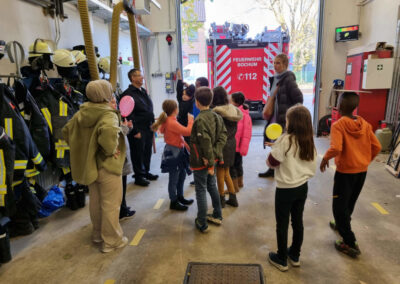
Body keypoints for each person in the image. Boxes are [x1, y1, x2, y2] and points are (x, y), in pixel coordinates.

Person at [63, 80, 128, 253]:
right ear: (106, 94)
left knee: (96, 202)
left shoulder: (81, 112)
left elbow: (66, 132)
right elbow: (108, 136)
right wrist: (111, 149)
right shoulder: (108, 114)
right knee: (111, 205)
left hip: (91, 167)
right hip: (107, 166)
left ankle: (98, 235)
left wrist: (86, 148)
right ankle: (112, 241)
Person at [320, 92, 381, 258]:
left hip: (345, 172)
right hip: (361, 171)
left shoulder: (338, 125)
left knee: (339, 206)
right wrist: (364, 160)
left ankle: (350, 241)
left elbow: (337, 148)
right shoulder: (365, 124)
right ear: (355, 107)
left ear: (339, 107)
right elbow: (377, 147)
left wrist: (325, 158)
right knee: (350, 200)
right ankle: (341, 225)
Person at [267, 105, 317, 271]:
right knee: (297, 221)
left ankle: (281, 258)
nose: (285, 122)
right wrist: (276, 146)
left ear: (292, 123)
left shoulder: (285, 140)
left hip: (285, 189)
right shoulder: (309, 140)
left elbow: (272, 163)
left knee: (282, 223)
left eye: (287, 120)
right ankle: (295, 255)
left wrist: (274, 149)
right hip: (302, 187)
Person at [259, 54, 303, 178]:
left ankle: (283, 169)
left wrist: (290, 115)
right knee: (273, 141)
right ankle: (272, 169)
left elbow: (299, 99)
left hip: (283, 118)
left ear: (285, 65)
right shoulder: (275, 79)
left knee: (283, 144)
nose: (275, 65)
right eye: (274, 62)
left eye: (278, 63)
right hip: (275, 116)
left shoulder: (288, 79)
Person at [190, 87, 227, 233]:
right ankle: (217, 215)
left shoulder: (200, 120)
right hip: (213, 160)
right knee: (212, 186)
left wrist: (209, 161)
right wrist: (216, 155)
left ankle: (202, 221)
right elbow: (223, 136)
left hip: (202, 162)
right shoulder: (217, 116)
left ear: (197, 102)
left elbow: (205, 142)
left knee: (201, 190)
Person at [152, 100, 194, 211]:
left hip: (177, 150)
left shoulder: (169, 120)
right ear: (175, 109)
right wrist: (190, 121)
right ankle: (173, 201)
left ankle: (180, 196)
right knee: (174, 178)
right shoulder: (171, 122)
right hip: (174, 153)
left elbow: (179, 136)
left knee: (182, 175)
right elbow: (187, 131)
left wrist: (186, 146)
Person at [122, 69, 158, 187]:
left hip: (148, 127)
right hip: (138, 128)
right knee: (138, 153)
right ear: (132, 78)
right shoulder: (127, 94)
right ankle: (139, 176)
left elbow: (148, 107)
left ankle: (146, 172)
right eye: (139, 75)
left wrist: (153, 124)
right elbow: (127, 114)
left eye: (142, 75)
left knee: (147, 151)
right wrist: (135, 131)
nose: (142, 77)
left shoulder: (142, 91)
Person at [212, 86, 242, 207]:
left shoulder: (216, 112)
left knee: (220, 172)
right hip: (231, 144)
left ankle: (221, 199)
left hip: (221, 145)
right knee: (226, 172)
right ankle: (233, 198)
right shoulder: (233, 110)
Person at [109, 96, 136, 220]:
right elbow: (115, 136)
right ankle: (121, 210)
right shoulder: (108, 118)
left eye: (115, 101)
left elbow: (122, 132)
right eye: (112, 102)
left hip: (123, 155)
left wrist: (127, 127)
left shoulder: (115, 115)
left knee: (123, 185)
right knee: (119, 187)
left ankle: (123, 207)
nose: (115, 104)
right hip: (118, 157)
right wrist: (124, 128)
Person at [230, 92, 252, 191]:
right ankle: (240, 182)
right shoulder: (245, 112)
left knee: (232, 166)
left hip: (235, 145)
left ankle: (234, 187)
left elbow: (236, 132)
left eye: (231, 99)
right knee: (239, 164)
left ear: (235, 102)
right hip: (241, 145)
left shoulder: (236, 114)